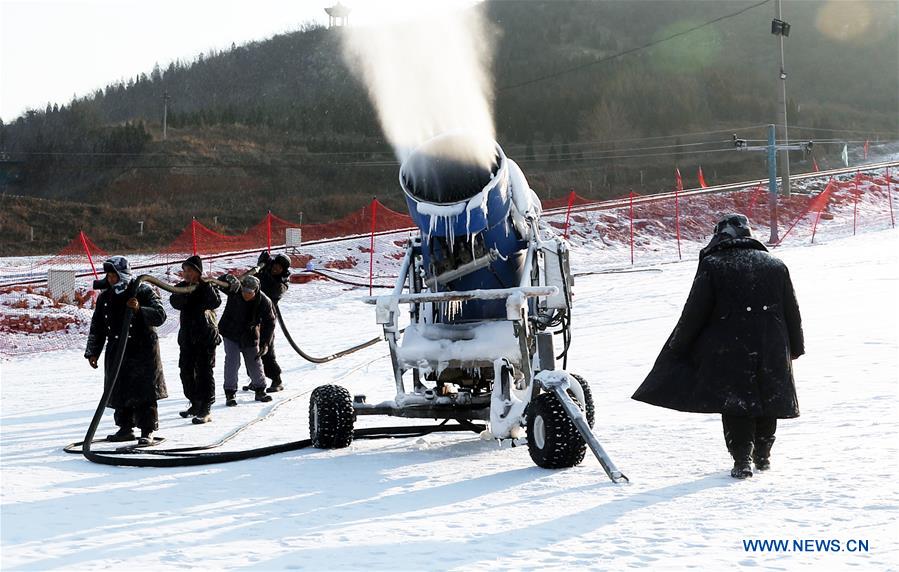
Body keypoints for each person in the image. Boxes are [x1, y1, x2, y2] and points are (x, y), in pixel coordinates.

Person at [632, 213, 804, 479]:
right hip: (772, 343)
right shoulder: (775, 264)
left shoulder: (714, 265)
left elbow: (694, 312)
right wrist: (795, 346)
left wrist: (679, 346)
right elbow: (791, 310)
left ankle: (741, 460)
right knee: (767, 396)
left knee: (737, 402)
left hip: (729, 345)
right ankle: (763, 454)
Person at [85, 256, 168, 446]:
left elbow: (160, 315)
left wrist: (140, 309)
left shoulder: (143, 290)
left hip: (143, 351)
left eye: (114, 275)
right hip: (117, 350)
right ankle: (125, 428)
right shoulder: (105, 297)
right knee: (119, 389)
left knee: (144, 392)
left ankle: (147, 430)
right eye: (109, 275)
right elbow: (97, 325)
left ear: (122, 274)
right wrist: (93, 351)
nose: (111, 279)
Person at [169, 255, 221, 424]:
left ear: (198, 272)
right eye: (185, 270)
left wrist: (204, 286)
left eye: (190, 270)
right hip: (187, 338)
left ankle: (205, 407)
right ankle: (195, 402)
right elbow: (174, 301)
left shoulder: (207, 286)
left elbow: (215, 301)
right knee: (186, 371)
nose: (186, 273)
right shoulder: (181, 287)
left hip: (205, 338)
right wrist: (186, 293)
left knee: (205, 372)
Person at [217, 273, 275, 405]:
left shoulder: (264, 301)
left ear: (256, 290)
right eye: (244, 291)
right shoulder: (235, 290)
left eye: (249, 292)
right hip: (230, 332)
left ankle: (260, 389)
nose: (245, 294)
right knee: (232, 361)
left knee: (254, 361)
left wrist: (265, 343)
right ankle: (230, 392)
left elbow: (270, 322)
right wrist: (228, 278)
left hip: (250, 334)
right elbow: (218, 282)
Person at [255, 250, 291, 392]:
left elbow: (274, 290)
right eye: (275, 264)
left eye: (280, 267)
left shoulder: (282, 283)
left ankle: (276, 379)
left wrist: (263, 270)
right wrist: (261, 264)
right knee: (250, 348)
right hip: (252, 315)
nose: (276, 268)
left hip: (267, 318)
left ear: (284, 270)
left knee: (266, 348)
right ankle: (256, 379)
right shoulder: (264, 271)